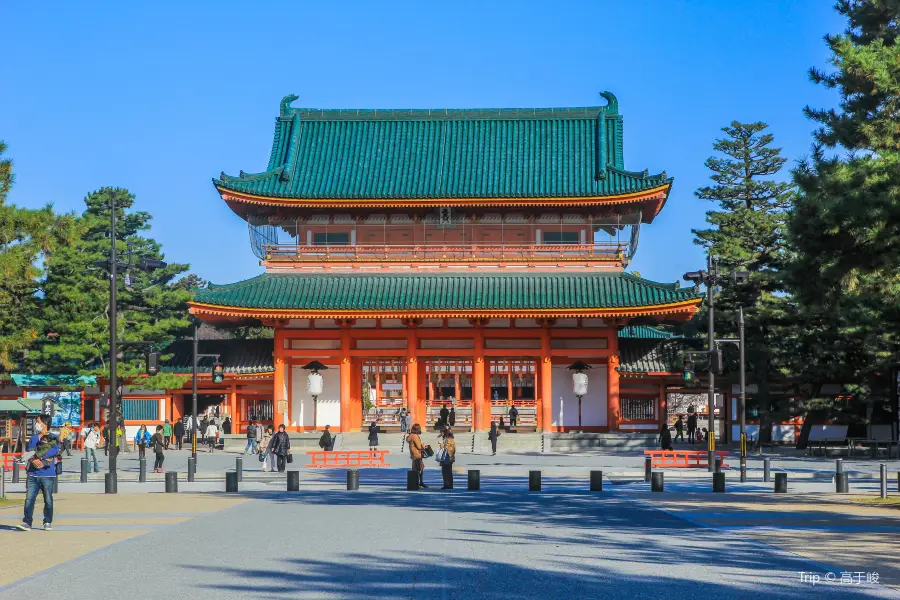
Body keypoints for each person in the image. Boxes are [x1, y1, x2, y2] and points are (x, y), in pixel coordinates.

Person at [17, 416, 59, 531]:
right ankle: (27, 522)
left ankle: (47, 522)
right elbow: (30, 452)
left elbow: (53, 451)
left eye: (38, 422)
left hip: (47, 474)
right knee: (29, 499)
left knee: (48, 500)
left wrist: (38, 457)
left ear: (45, 423)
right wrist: (33, 459)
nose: (37, 424)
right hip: (32, 474)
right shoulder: (34, 438)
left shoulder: (53, 437)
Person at [406, 423, 426, 489]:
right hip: (417, 454)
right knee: (420, 468)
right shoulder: (415, 436)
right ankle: (419, 483)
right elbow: (419, 446)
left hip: (413, 454)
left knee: (416, 468)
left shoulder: (411, 435)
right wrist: (423, 445)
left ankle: (417, 482)